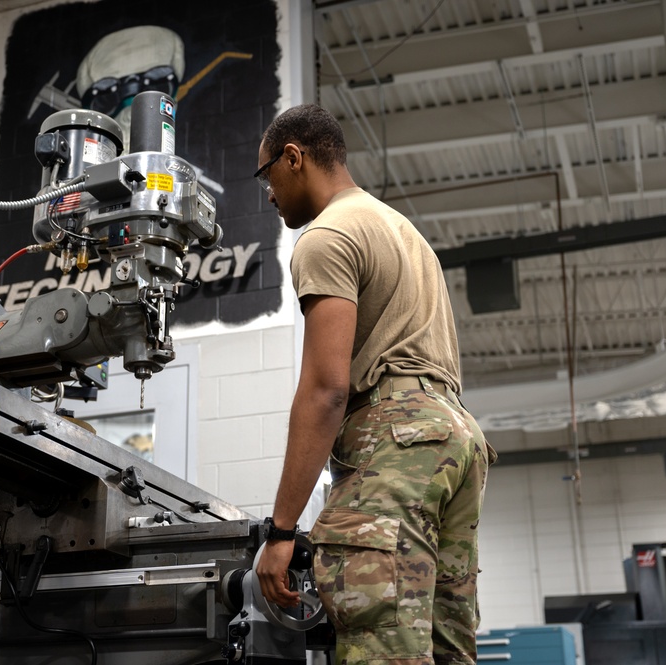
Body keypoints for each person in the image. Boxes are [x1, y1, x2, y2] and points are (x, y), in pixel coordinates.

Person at [253, 104, 497, 665]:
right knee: (445, 646)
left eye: (267, 176)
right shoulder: (401, 230)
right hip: (457, 437)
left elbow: (326, 390)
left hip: (397, 438)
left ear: (294, 159)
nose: (268, 193)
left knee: (383, 646)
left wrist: (281, 531)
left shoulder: (327, 236)